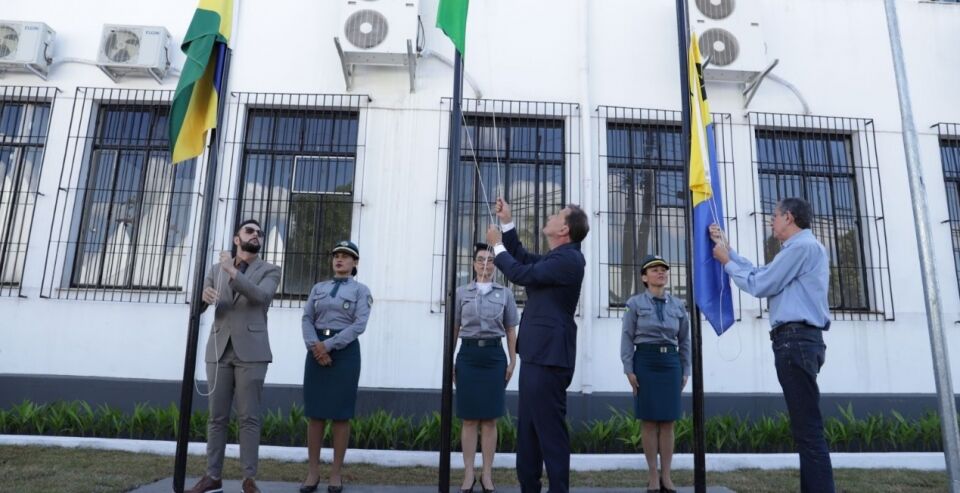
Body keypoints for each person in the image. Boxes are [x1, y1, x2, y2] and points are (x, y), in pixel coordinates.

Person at [710, 197, 835, 493]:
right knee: (806, 430)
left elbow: (761, 284)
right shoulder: (797, 250)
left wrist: (727, 262)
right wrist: (729, 253)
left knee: (808, 431)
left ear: (789, 217)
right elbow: (761, 273)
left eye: (774, 216)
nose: (771, 221)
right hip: (797, 342)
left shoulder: (802, 247)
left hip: (796, 342)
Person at [485, 197, 588, 493]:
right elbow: (522, 257)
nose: (551, 216)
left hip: (550, 358)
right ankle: (529, 487)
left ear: (564, 229)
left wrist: (496, 245)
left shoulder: (569, 260)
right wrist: (507, 223)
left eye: (557, 214)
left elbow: (519, 273)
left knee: (550, 435)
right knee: (528, 434)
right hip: (537, 356)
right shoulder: (556, 258)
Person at [187, 219, 281, 493]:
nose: (256, 235)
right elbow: (197, 307)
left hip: (252, 351)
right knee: (216, 417)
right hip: (219, 349)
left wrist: (232, 271)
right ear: (236, 238)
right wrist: (203, 297)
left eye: (260, 233)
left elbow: (261, 297)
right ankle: (212, 476)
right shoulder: (215, 269)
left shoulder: (270, 270)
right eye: (250, 231)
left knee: (248, 417)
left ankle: (248, 478)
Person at [299, 240, 372, 493]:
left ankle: (336, 473)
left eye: (346, 256)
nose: (339, 259)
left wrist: (328, 346)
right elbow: (307, 318)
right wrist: (315, 346)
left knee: (341, 415)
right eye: (336, 256)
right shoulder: (318, 287)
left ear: (355, 263)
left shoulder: (361, 290)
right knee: (316, 414)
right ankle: (312, 472)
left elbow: (359, 324)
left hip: (345, 354)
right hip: (316, 351)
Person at [620, 255, 690, 493]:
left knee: (668, 421)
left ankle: (667, 476)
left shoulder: (678, 306)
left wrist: (685, 368)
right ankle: (652, 475)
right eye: (654, 270)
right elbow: (627, 338)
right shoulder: (635, 304)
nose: (661, 273)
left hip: (670, 363)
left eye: (663, 270)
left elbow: (684, 340)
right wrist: (628, 368)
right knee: (649, 421)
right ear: (644, 277)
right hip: (646, 362)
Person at [454, 242, 519, 493]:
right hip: (468, 356)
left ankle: (487, 474)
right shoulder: (461, 293)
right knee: (469, 419)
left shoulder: (505, 294)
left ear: (496, 265)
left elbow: (511, 329)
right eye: (481, 259)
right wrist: (450, 360)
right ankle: (469, 473)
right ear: (473, 263)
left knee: (490, 420)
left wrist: (513, 361)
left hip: (494, 357)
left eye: (490, 260)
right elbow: (455, 328)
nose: (485, 264)